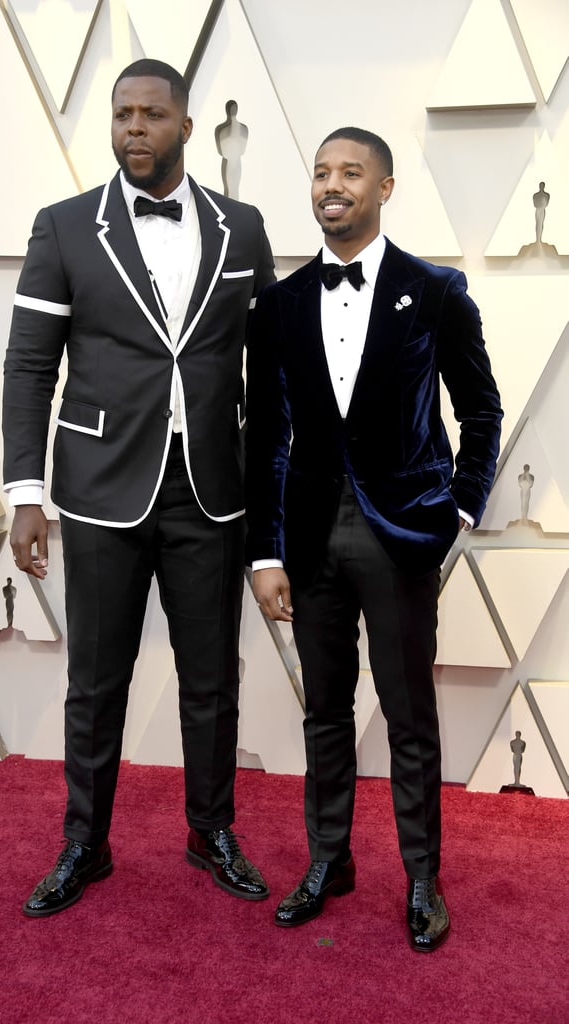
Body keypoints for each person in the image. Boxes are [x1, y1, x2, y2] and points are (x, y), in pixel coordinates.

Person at [2, 59, 275, 918]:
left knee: (212, 679)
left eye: (152, 115)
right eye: (122, 114)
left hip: (209, 490)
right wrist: (24, 491)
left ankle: (210, 831)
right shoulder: (64, 228)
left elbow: (267, 374)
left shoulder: (243, 227)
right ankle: (85, 842)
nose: (133, 129)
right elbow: (28, 366)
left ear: (186, 128)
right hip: (95, 489)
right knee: (95, 679)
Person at [245, 127, 502, 952]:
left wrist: (459, 508)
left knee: (407, 717)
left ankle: (422, 875)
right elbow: (264, 440)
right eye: (320, 172)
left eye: (350, 172)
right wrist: (265, 551)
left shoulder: (435, 292)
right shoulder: (278, 306)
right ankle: (329, 862)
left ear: (384, 188)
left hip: (401, 537)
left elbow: (481, 410)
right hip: (311, 537)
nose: (331, 185)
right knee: (324, 712)